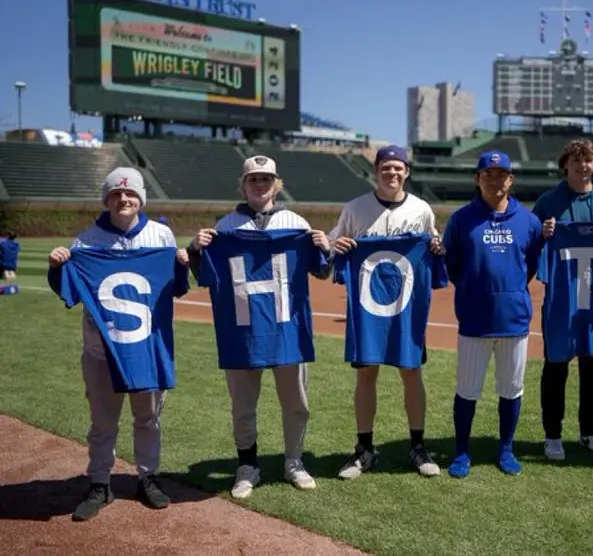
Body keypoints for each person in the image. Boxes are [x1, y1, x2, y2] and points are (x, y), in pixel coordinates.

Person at [46, 167, 189, 521]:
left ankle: (147, 477)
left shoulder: (161, 236)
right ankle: (99, 482)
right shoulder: (86, 242)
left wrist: (184, 265)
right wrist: (57, 267)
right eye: (115, 194)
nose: (123, 199)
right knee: (102, 421)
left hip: (147, 349)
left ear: (141, 198)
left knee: (149, 418)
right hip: (102, 351)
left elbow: (177, 288)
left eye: (130, 194)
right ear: (107, 199)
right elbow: (69, 291)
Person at [187, 154, 332, 498]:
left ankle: (293, 461)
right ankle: (247, 465)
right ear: (244, 184)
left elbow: (322, 271)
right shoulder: (224, 227)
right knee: (242, 404)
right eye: (254, 179)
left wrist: (324, 248)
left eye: (266, 179)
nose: (260, 184)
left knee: (296, 401)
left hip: (287, 330)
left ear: (276, 184)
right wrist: (195, 250)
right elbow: (204, 275)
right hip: (243, 331)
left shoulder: (295, 221)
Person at [328, 145, 443, 480]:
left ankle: (418, 446)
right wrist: (336, 246)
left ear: (407, 172)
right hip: (368, 308)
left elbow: (433, 245)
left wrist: (436, 247)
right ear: (375, 170)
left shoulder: (421, 209)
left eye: (398, 168)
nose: (392, 173)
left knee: (411, 372)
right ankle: (364, 449)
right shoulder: (355, 208)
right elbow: (333, 245)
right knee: (366, 374)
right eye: (386, 167)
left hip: (407, 308)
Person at [442, 150, 543, 478]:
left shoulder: (529, 221)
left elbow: (531, 264)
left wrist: (509, 291)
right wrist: (475, 290)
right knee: (467, 388)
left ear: (511, 180)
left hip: (513, 318)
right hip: (474, 318)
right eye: (488, 174)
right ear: (477, 179)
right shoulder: (460, 219)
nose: (495, 179)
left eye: (501, 174)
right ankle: (460, 452)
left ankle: (506, 448)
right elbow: (453, 265)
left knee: (511, 388)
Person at [531, 138, 593, 461]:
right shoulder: (548, 201)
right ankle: (552, 435)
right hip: (562, 301)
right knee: (556, 367)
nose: (583, 166)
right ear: (565, 165)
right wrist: (543, 233)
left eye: (588, 161)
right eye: (576, 160)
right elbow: (531, 247)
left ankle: (590, 432)